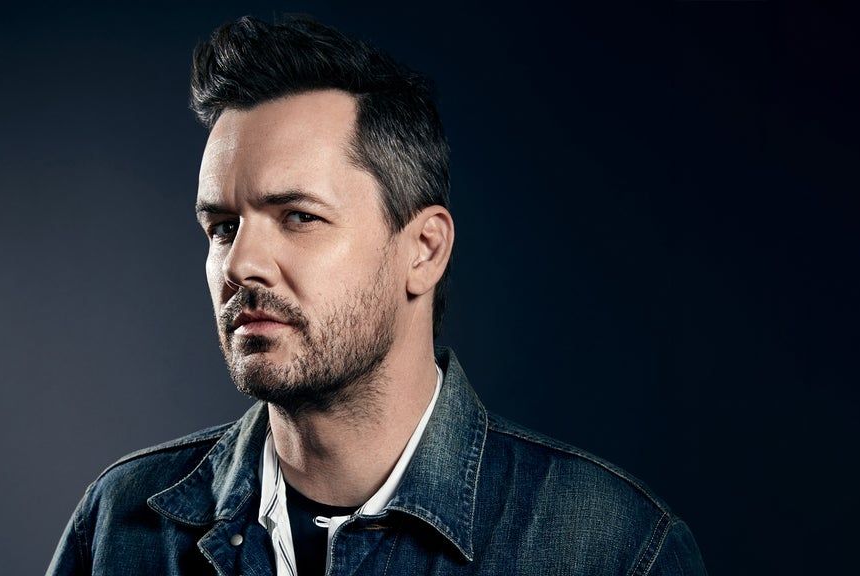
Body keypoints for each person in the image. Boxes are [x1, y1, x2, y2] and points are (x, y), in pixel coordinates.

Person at [46, 15, 707, 576]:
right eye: (223, 227)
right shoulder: (119, 529)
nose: (241, 263)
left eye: (299, 216)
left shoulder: (612, 550)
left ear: (423, 250)